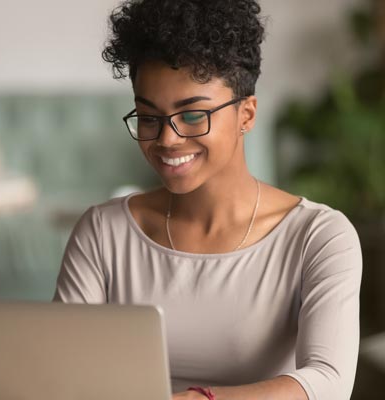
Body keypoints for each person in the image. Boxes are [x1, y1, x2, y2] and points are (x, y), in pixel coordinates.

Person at [53, 1, 362, 399]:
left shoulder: (318, 237)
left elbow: (328, 382)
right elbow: (61, 370)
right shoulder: (102, 232)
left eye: (194, 115)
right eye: (149, 117)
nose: (167, 139)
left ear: (247, 115)